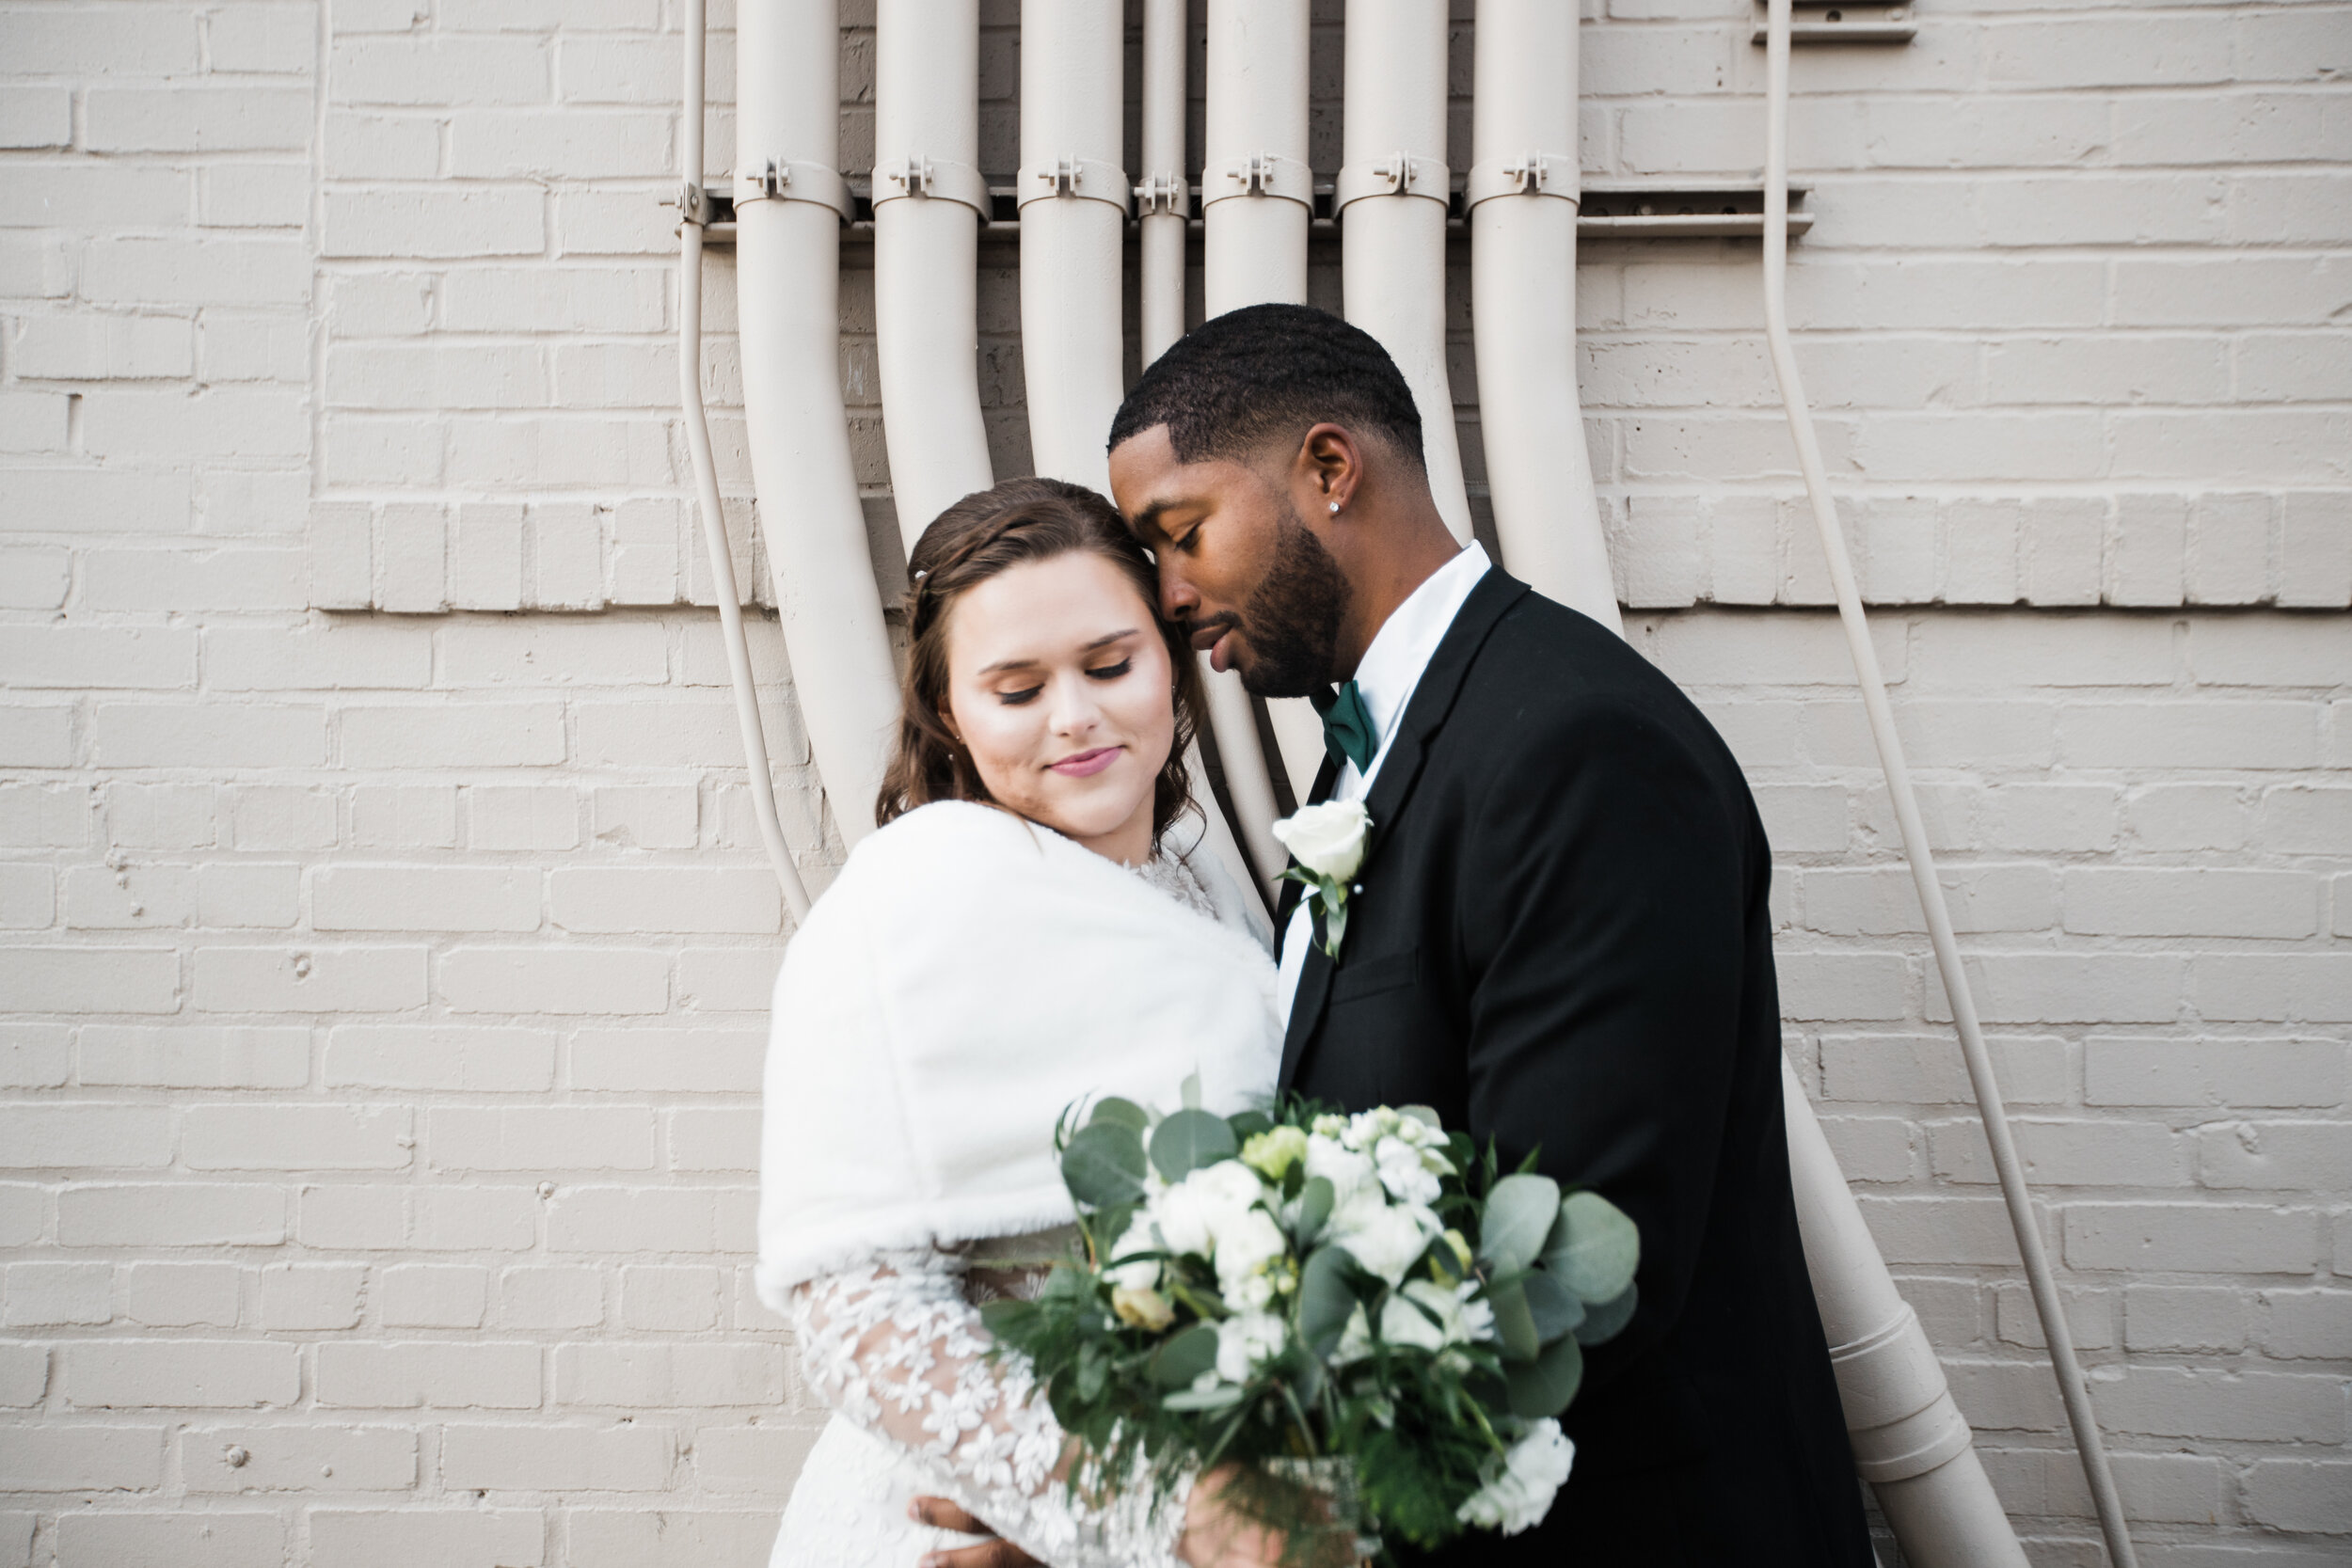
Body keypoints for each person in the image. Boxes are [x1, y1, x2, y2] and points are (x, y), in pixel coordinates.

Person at [1100, 304, 1877, 1567]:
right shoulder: (1381, 752)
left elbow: (1578, 1258)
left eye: (1182, 534)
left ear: (1330, 468)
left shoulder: (1579, 747)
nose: (1172, 594)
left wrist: (1238, 1496)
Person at [756, 478, 1288, 1568]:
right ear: (950, 710)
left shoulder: (1203, 883)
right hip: (976, 1525)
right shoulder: (914, 898)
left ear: (1170, 661)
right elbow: (850, 1300)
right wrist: (1126, 1509)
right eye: (1016, 688)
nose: (1075, 716)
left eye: (1109, 666)